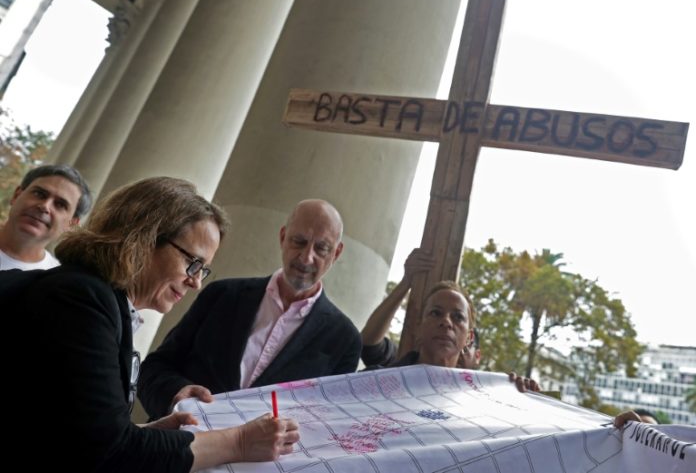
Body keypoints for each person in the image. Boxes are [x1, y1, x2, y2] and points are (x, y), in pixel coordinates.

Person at [10, 177, 299, 473]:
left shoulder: (100, 300)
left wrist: (149, 434)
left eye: (203, 269)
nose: (196, 282)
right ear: (145, 237)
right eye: (193, 262)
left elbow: (76, 430)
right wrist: (238, 442)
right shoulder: (80, 300)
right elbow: (109, 453)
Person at [138, 199, 362, 420]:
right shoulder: (221, 295)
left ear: (337, 253)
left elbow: (328, 426)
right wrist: (175, 396)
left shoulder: (345, 340)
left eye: (322, 248)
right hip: (176, 447)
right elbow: (155, 368)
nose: (306, 257)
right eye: (299, 241)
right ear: (283, 237)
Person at [363, 278, 540, 392]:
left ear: (469, 338)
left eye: (457, 317)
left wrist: (524, 396)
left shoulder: (484, 399)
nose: (446, 322)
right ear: (418, 326)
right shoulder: (371, 383)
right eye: (436, 313)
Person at [0, 164, 91, 270]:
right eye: (39, 194)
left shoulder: (54, 280)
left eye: (60, 204)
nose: (44, 206)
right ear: (16, 196)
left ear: (71, 224)